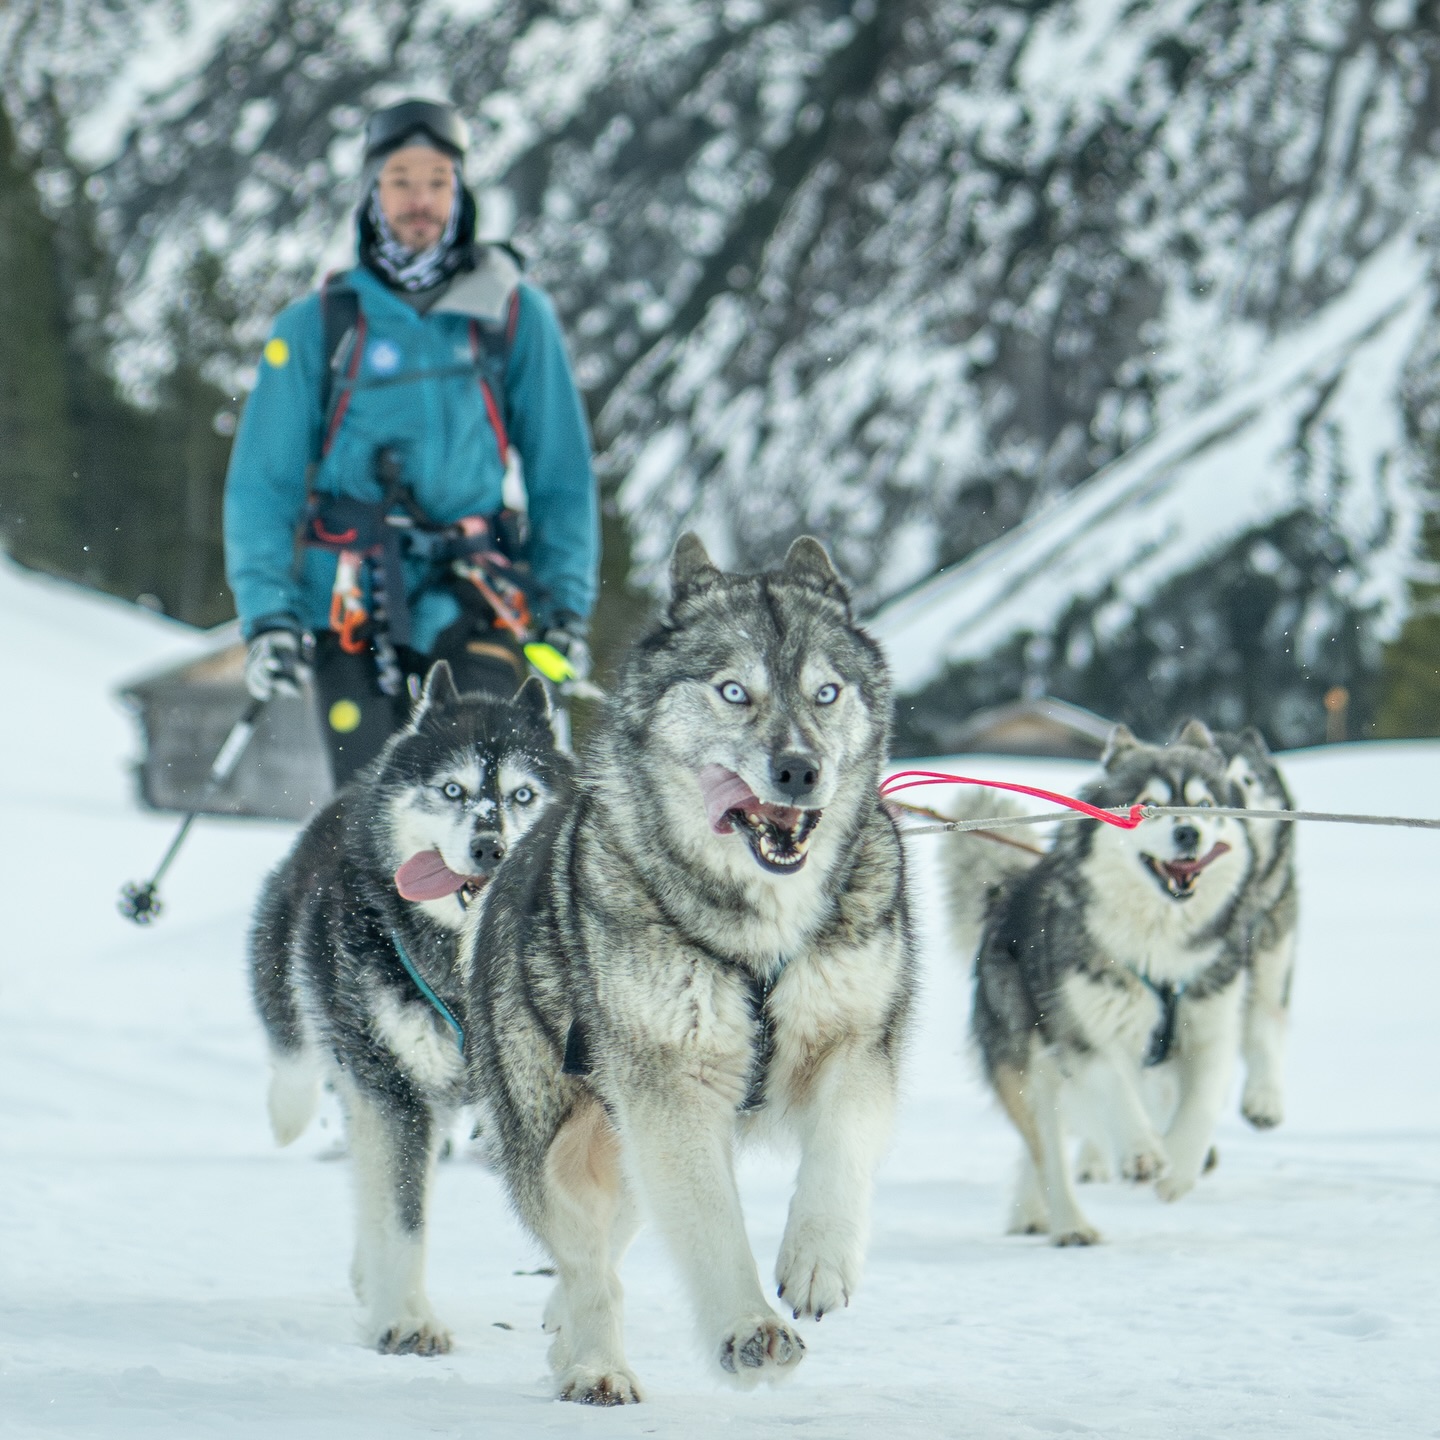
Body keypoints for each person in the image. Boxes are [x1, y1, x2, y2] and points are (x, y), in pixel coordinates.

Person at [224, 98, 597, 783]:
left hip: (476, 599)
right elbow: (262, 483)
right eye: (401, 181)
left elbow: (562, 475)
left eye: (436, 181)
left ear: (459, 191)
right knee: (370, 815)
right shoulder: (316, 327)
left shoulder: (512, 315)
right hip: (348, 607)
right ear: (372, 192)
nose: (419, 200)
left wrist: (565, 605)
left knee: (484, 805)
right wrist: (268, 616)